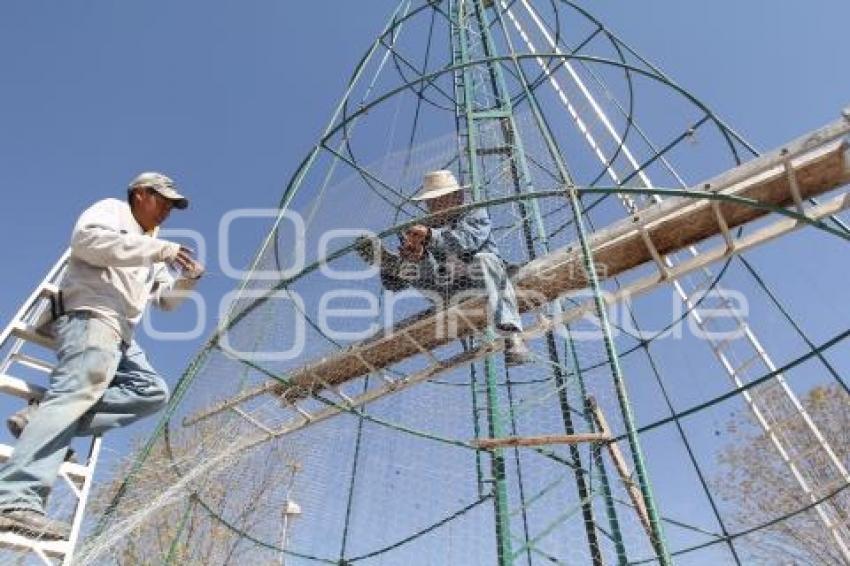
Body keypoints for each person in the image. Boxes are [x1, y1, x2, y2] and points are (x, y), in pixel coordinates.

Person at [0, 172, 205, 540]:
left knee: (152, 392)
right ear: (140, 193)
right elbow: (87, 242)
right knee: (76, 394)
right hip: (91, 313)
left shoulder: (153, 248)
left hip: (122, 332)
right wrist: (161, 250)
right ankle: (14, 500)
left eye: (172, 207)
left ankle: (38, 417)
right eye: (163, 201)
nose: (166, 212)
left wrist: (188, 281)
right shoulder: (113, 212)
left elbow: (167, 303)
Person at [357, 169, 532, 366]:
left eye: (439, 199)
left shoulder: (474, 212)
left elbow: (466, 242)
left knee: (484, 260)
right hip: (445, 291)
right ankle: (396, 265)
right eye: (431, 202)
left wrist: (431, 236)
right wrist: (416, 256)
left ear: (457, 197)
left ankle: (512, 335)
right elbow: (398, 286)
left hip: (480, 282)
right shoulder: (422, 228)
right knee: (414, 266)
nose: (433, 205)